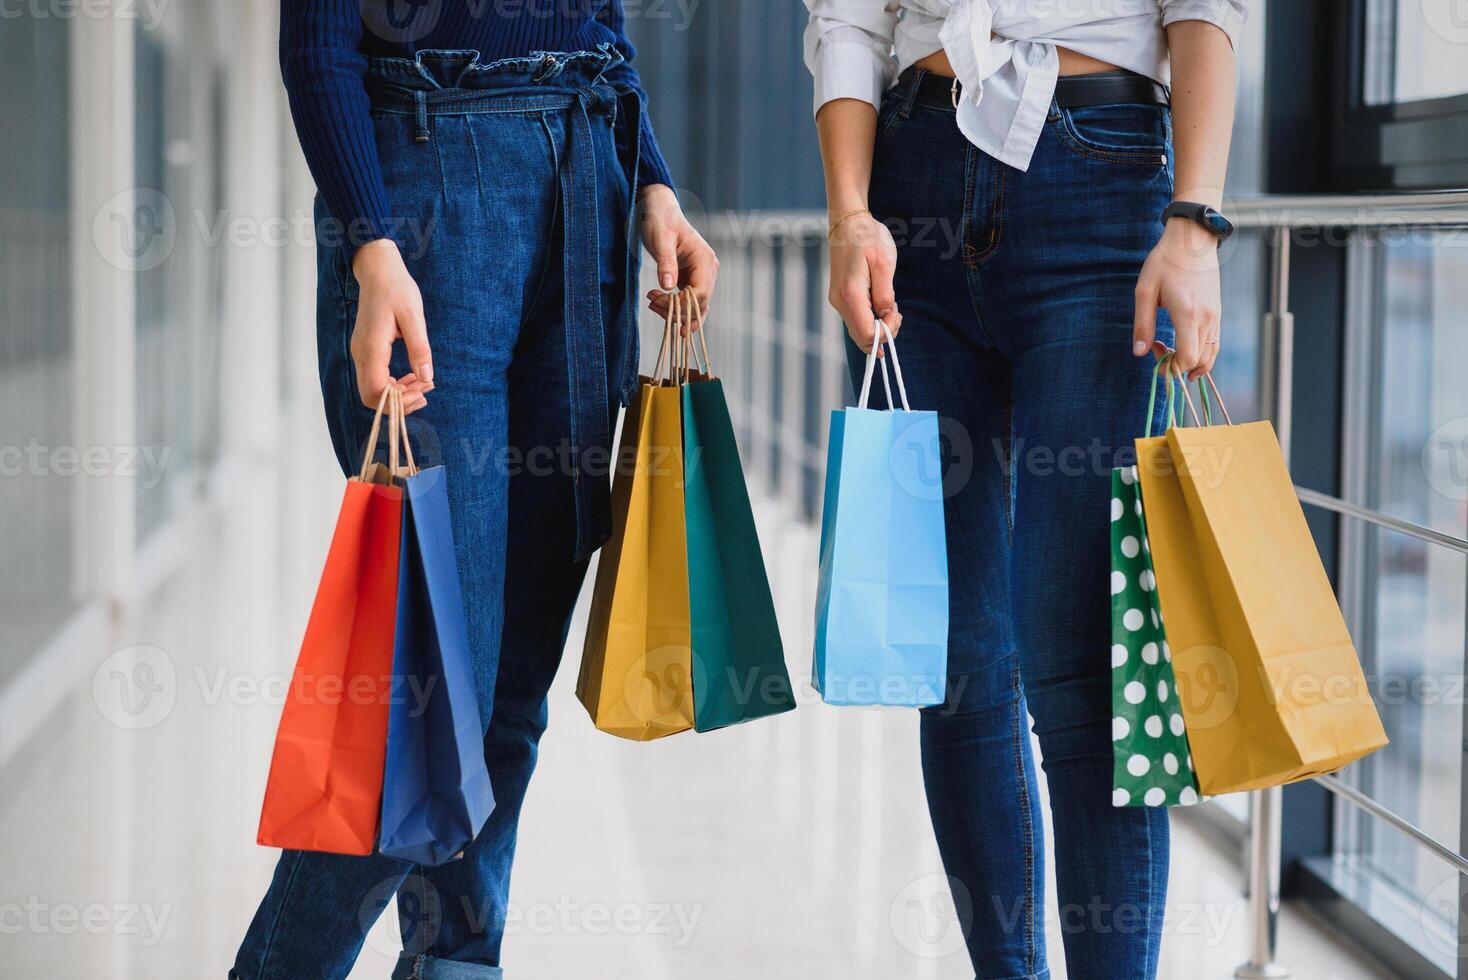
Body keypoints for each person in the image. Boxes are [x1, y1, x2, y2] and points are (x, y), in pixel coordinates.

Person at [232, 3, 716, 977]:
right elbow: (320, 32)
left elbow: (602, 20)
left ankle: (457, 964)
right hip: (431, 186)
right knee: (426, 698)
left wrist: (653, 177)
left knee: (507, 696)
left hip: (589, 178)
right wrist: (371, 242)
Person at [803, 2, 1243, 977]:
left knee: (1081, 657)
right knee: (956, 658)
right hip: (905, 190)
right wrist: (846, 212)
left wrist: (1196, 222)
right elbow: (845, 18)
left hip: (1099, 183)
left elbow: (1207, 9)